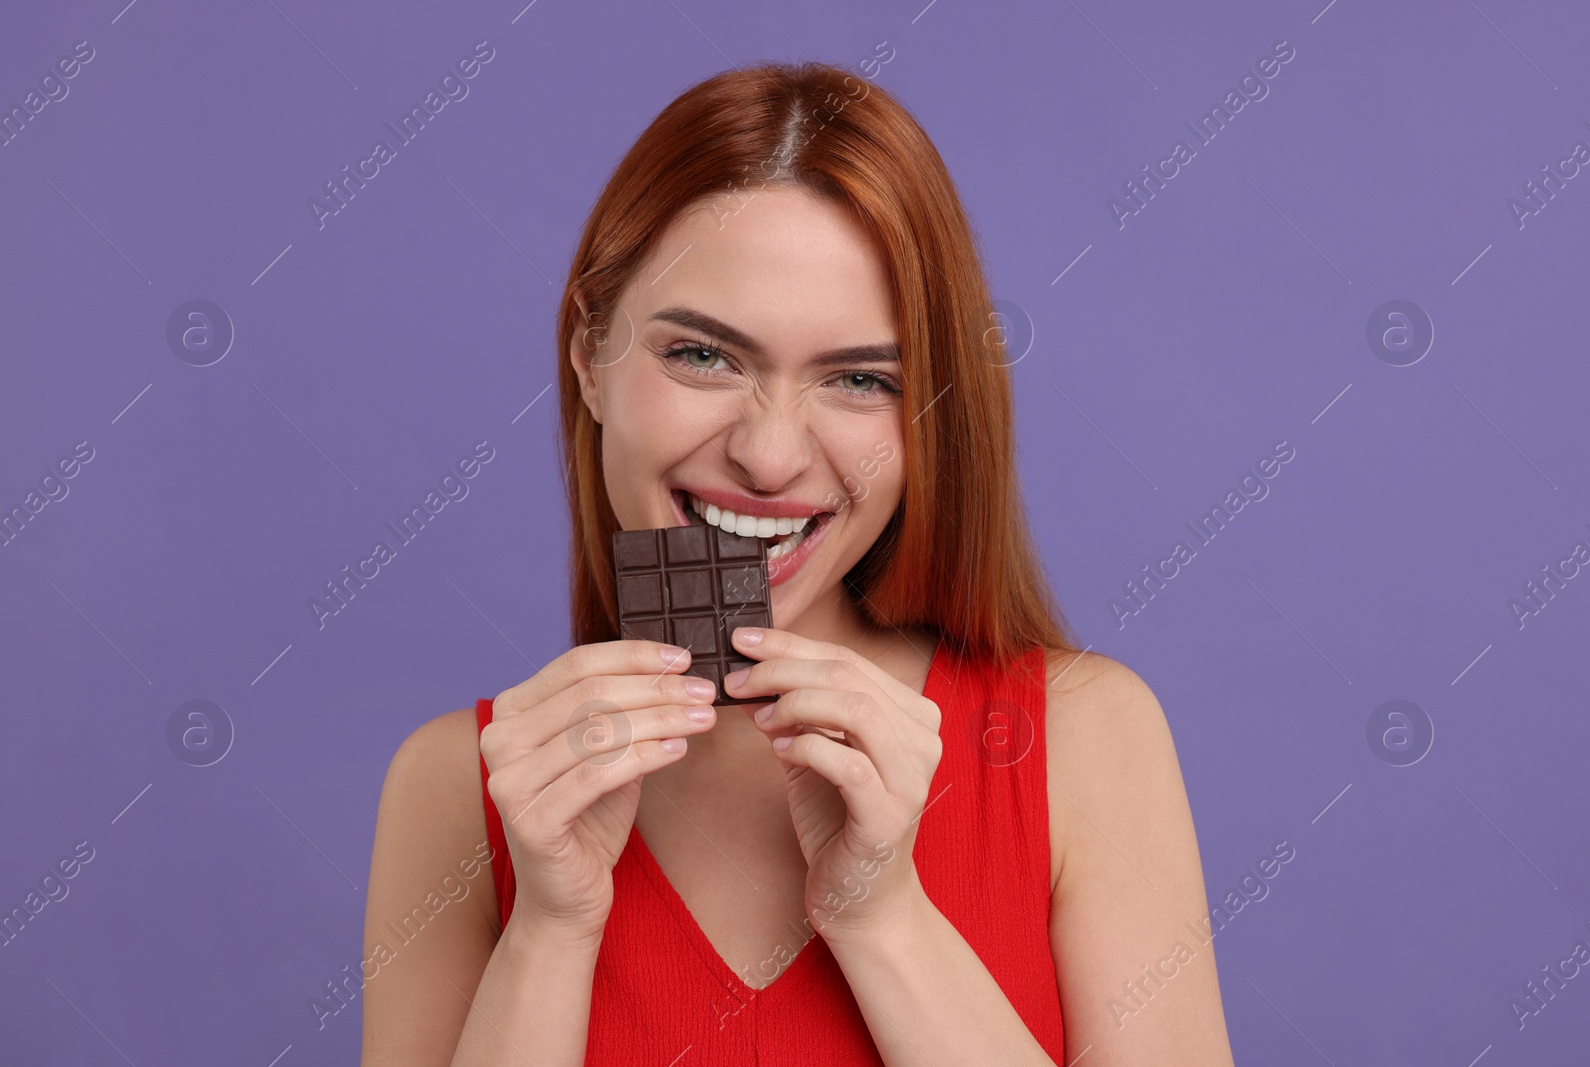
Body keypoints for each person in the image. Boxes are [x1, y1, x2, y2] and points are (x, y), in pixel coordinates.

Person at [361, 60, 1234, 1066]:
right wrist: (552, 930)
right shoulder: (456, 788)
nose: (770, 456)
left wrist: (883, 915)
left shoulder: (1083, 742)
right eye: (703, 356)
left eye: (860, 379)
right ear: (588, 352)